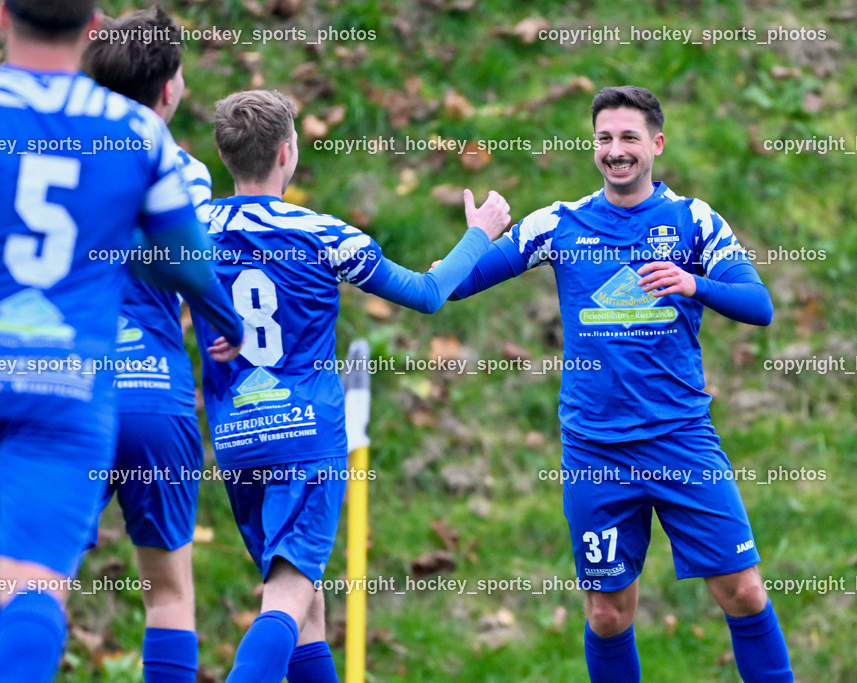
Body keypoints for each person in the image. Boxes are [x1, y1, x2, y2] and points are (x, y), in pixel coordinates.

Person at [0, 1, 228, 680]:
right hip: (65, 385)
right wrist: (225, 323)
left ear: (0, 17)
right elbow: (191, 263)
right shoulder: (136, 134)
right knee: (36, 581)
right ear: (93, 26)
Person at [449, 85, 792, 682]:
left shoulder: (693, 221)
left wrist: (694, 285)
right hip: (596, 450)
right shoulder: (559, 223)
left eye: (629, 137)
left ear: (656, 144)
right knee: (608, 613)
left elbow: (759, 305)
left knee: (743, 592)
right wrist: (476, 235)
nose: (616, 151)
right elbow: (453, 285)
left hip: (681, 439)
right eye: (605, 138)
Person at [191, 88, 511, 683]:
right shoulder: (324, 234)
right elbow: (426, 292)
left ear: (223, 155)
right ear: (287, 153)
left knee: (305, 605)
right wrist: (479, 234)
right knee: (288, 594)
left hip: (236, 436)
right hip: (305, 437)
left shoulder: (193, 231)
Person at [81, 8, 243, 682]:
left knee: (31, 577)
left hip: (70, 384)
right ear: (170, 90)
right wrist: (226, 323)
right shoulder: (186, 171)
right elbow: (186, 262)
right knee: (169, 592)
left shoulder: (55, 155)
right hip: (154, 391)